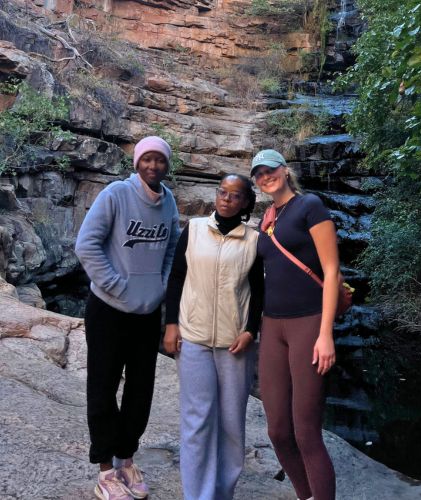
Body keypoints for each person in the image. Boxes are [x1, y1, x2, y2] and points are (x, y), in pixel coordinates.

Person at [75, 136, 180, 500]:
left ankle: (126, 460)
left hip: (147, 313)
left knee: (140, 391)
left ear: (167, 165)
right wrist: (117, 285)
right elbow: (86, 244)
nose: (153, 165)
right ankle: (105, 470)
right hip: (108, 310)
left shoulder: (169, 204)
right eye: (147, 159)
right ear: (137, 163)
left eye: (160, 160)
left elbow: (171, 251)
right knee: (102, 388)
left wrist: (160, 286)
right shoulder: (116, 195)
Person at [163, 174, 264, 500]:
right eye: (223, 192)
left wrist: (251, 330)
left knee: (232, 424)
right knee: (197, 422)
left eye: (235, 196)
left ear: (246, 202)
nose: (226, 199)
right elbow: (177, 277)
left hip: (234, 343)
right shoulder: (192, 230)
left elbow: (259, 291)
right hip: (193, 338)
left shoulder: (253, 240)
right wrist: (171, 324)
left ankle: (222, 492)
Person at [251, 149, 339, 500]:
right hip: (272, 327)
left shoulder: (310, 206)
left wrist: (326, 334)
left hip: (309, 323)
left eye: (270, 170)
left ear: (285, 171)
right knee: (277, 430)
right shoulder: (267, 217)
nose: (264, 177)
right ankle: (306, 495)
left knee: (306, 431)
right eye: (258, 173)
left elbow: (331, 271)